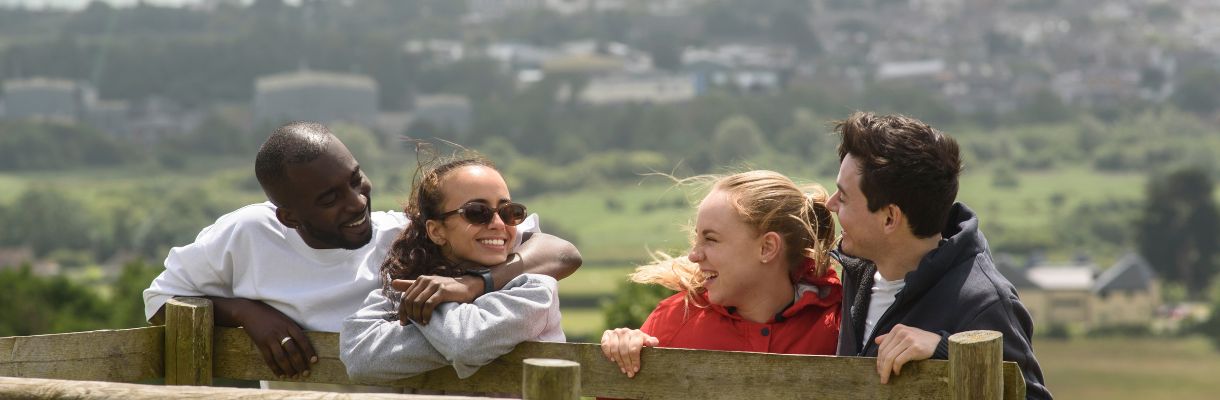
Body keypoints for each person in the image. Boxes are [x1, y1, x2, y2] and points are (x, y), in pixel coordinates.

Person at [142, 122, 581, 387]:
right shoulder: (245, 235)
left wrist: (471, 286)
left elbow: (559, 251)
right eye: (330, 198)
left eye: (356, 179)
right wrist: (245, 312)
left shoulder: (402, 242)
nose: (356, 203)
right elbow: (160, 300)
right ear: (290, 217)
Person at [826, 112, 1051, 399]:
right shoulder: (856, 269)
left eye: (843, 197)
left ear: (889, 218)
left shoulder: (986, 303)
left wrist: (947, 350)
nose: (831, 204)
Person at [340, 154, 565, 383]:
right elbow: (359, 358)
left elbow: (466, 344)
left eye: (509, 212)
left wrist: (428, 300)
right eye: (477, 212)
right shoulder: (406, 287)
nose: (498, 224)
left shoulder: (535, 290)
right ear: (437, 231)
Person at [600, 170, 841, 378]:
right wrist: (620, 351)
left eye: (710, 239)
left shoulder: (840, 326)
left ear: (767, 248)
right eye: (697, 238)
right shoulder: (672, 321)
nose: (694, 255)